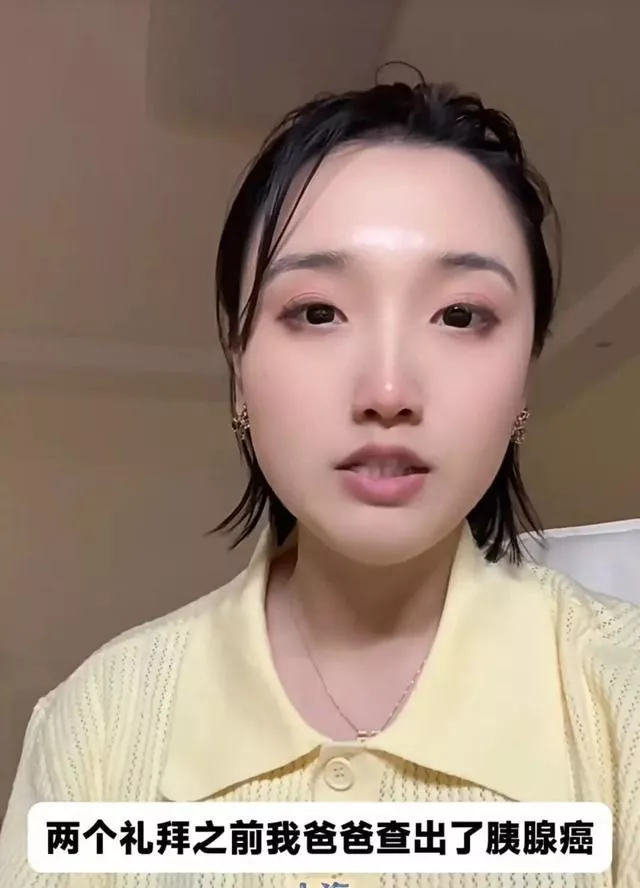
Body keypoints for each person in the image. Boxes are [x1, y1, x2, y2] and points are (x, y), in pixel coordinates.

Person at [1, 71, 639, 888]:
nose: (388, 391)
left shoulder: (621, 699)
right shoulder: (97, 721)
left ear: (524, 378)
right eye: (317, 312)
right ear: (238, 367)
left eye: (460, 315)